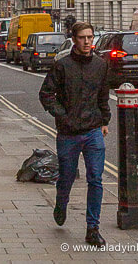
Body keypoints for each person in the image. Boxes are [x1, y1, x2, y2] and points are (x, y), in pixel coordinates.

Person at [39, 21, 110, 249]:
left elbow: (103, 95)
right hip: (68, 133)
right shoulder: (62, 65)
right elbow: (46, 94)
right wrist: (63, 116)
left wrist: (105, 120)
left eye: (90, 37)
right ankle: (61, 204)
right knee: (67, 177)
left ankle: (93, 228)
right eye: (83, 38)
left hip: (92, 131)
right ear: (74, 39)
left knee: (96, 179)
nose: (87, 42)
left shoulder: (100, 65)